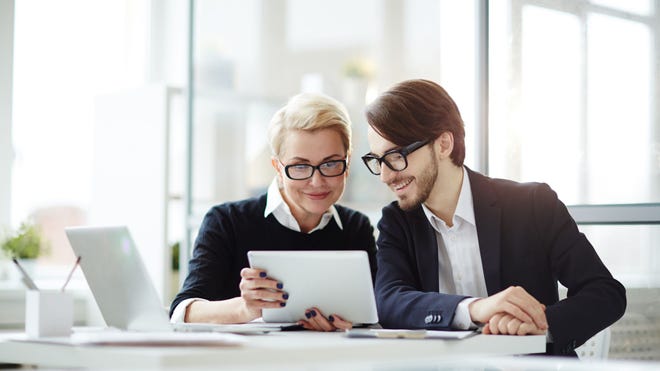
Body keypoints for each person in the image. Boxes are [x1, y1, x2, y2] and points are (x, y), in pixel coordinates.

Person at [361, 79, 626, 355]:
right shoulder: (397, 222)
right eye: (377, 160)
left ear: (443, 144)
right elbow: (389, 300)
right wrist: (473, 308)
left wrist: (541, 324)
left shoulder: (532, 205)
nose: (385, 175)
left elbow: (606, 293)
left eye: (394, 156)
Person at [170, 92, 377, 331]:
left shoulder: (356, 228)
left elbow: (373, 312)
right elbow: (182, 311)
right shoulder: (227, 221)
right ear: (277, 167)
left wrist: (352, 324)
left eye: (330, 164)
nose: (317, 181)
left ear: (347, 163)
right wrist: (245, 309)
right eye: (300, 166)